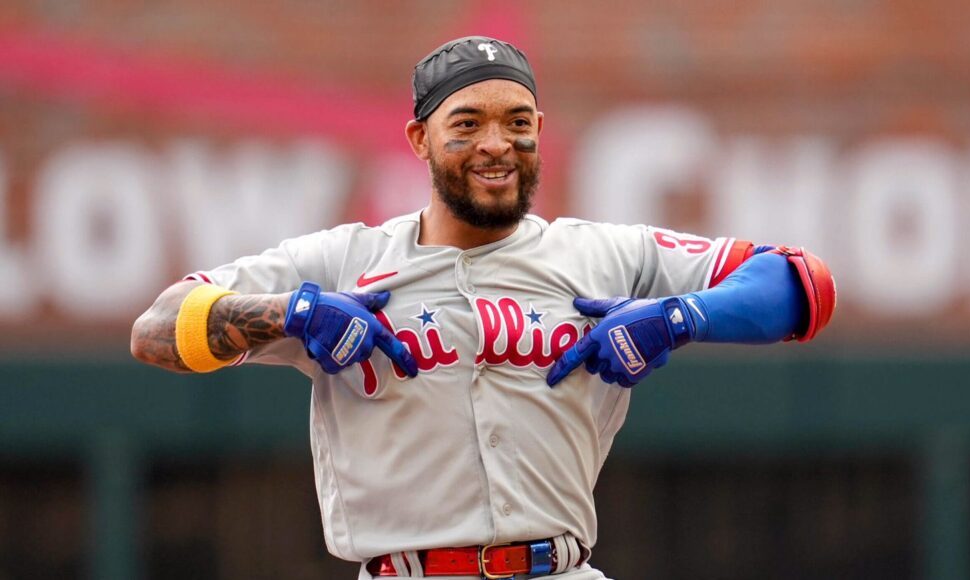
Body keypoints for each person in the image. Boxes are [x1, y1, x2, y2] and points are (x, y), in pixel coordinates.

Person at [131, 36, 835, 580]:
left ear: (539, 130)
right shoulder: (343, 260)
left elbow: (802, 285)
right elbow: (156, 329)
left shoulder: (603, 254)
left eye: (516, 122)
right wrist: (292, 313)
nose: (496, 144)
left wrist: (679, 319)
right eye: (466, 123)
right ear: (420, 139)